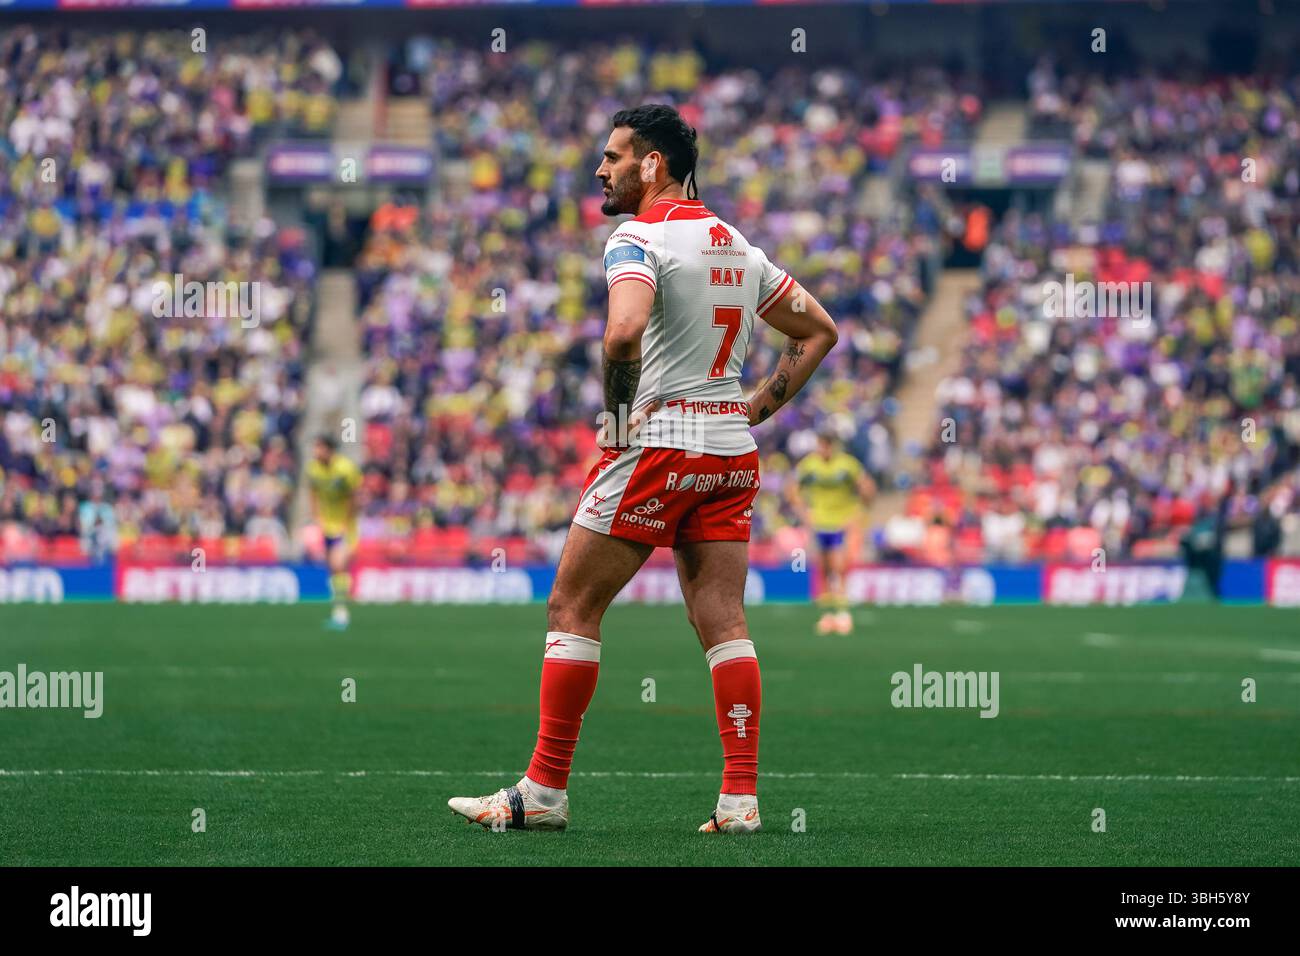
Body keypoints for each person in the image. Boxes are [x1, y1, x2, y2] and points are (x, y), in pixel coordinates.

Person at [448, 104, 838, 834]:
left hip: (660, 442)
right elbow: (818, 331)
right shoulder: (738, 245)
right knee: (724, 621)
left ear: (652, 163)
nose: (600, 170)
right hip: (729, 448)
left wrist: (620, 421)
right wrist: (753, 408)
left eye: (613, 156)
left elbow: (624, 331)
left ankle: (544, 793)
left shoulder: (637, 237)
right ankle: (740, 801)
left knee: (572, 607)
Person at [788, 432, 876, 634]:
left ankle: (843, 614)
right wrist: (803, 513)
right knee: (824, 569)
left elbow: (867, 487)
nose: (824, 449)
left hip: (841, 523)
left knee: (839, 567)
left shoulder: (847, 464)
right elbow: (792, 489)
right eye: (821, 445)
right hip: (819, 523)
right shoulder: (810, 465)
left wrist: (859, 512)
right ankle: (827, 616)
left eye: (827, 445)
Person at [305, 435, 362, 630]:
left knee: (338, 565)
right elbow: (313, 492)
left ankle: (342, 613)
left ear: (329, 450)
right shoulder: (314, 469)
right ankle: (339, 610)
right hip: (326, 526)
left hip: (345, 527)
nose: (315, 452)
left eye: (319, 448)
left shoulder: (345, 469)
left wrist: (346, 523)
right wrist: (316, 517)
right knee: (332, 569)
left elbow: (355, 497)